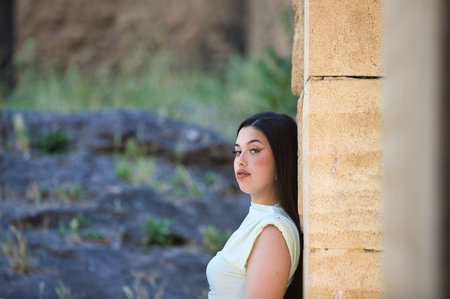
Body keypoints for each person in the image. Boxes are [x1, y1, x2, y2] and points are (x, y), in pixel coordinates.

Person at [206, 111, 303, 299]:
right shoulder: (260, 218)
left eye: (254, 150)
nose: (240, 161)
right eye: (237, 151)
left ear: (281, 160)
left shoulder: (272, 232)